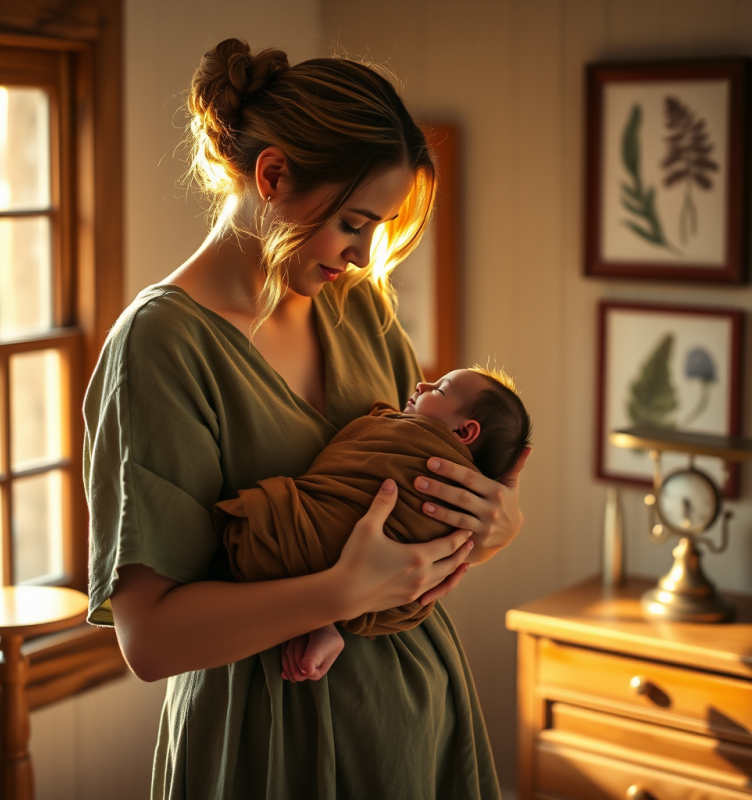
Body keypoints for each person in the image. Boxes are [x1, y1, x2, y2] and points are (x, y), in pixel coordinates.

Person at [83, 37, 529, 800]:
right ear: (274, 174)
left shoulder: (359, 307)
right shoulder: (161, 345)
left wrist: (492, 528)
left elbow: (414, 496)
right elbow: (150, 640)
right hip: (262, 743)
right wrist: (339, 594)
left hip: (412, 721)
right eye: (354, 223)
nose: (361, 255)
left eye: (376, 229)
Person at [214, 366, 532, 670]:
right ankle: (321, 622)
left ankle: (321, 619)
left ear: (464, 431)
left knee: (300, 534)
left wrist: (491, 540)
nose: (422, 385)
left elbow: (428, 526)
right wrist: (337, 595)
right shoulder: (413, 436)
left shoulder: (437, 459)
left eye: (439, 389)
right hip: (391, 611)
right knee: (330, 545)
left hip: (400, 608)